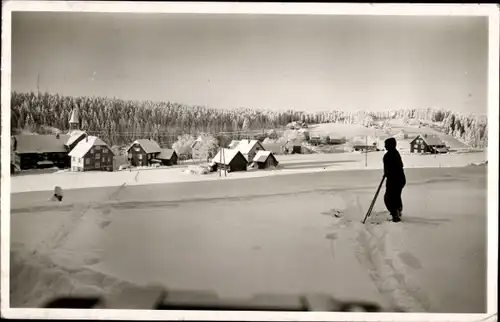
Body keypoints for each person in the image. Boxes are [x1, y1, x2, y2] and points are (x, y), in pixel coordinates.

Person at [383, 138, 406, 222]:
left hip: (394, 180)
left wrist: (386, 173)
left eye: (386, 144)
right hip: (400, 178)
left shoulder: (388, 155)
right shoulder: (396, 153)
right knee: (396, 197)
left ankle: (395, 215)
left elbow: (389, 170)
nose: (385, 146)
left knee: (388, 198)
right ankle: (398, 211)